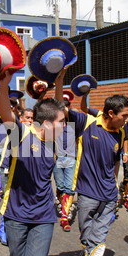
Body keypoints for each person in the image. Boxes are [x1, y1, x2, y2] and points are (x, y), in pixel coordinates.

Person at [55, 69, 128, 256]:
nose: (126, 120)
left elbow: (115, 163)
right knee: (86, 235)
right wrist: (59, 81)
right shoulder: (87, 122)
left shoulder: (121, 133)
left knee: (98, 237)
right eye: (124, 116)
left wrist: (116, 186)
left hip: (108, 195)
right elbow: (61, 107)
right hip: (87, 194)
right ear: (110, 112)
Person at [0, 71, 66, 256]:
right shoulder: (22, 137)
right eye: (62, 123)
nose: (66, 127)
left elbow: (53, 106)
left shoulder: (55, 143)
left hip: (43, 215)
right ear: (46, 124)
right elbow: (6, 114)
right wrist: (3, 85)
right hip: (16, 214)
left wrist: (59, 81)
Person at [53, 99, 77, 232]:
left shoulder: (74, 124)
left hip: (71, 159)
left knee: (69, 188)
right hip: (57, 159)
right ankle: (61, 202)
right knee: (60, 186)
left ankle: (64, 216)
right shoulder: (54, 123)